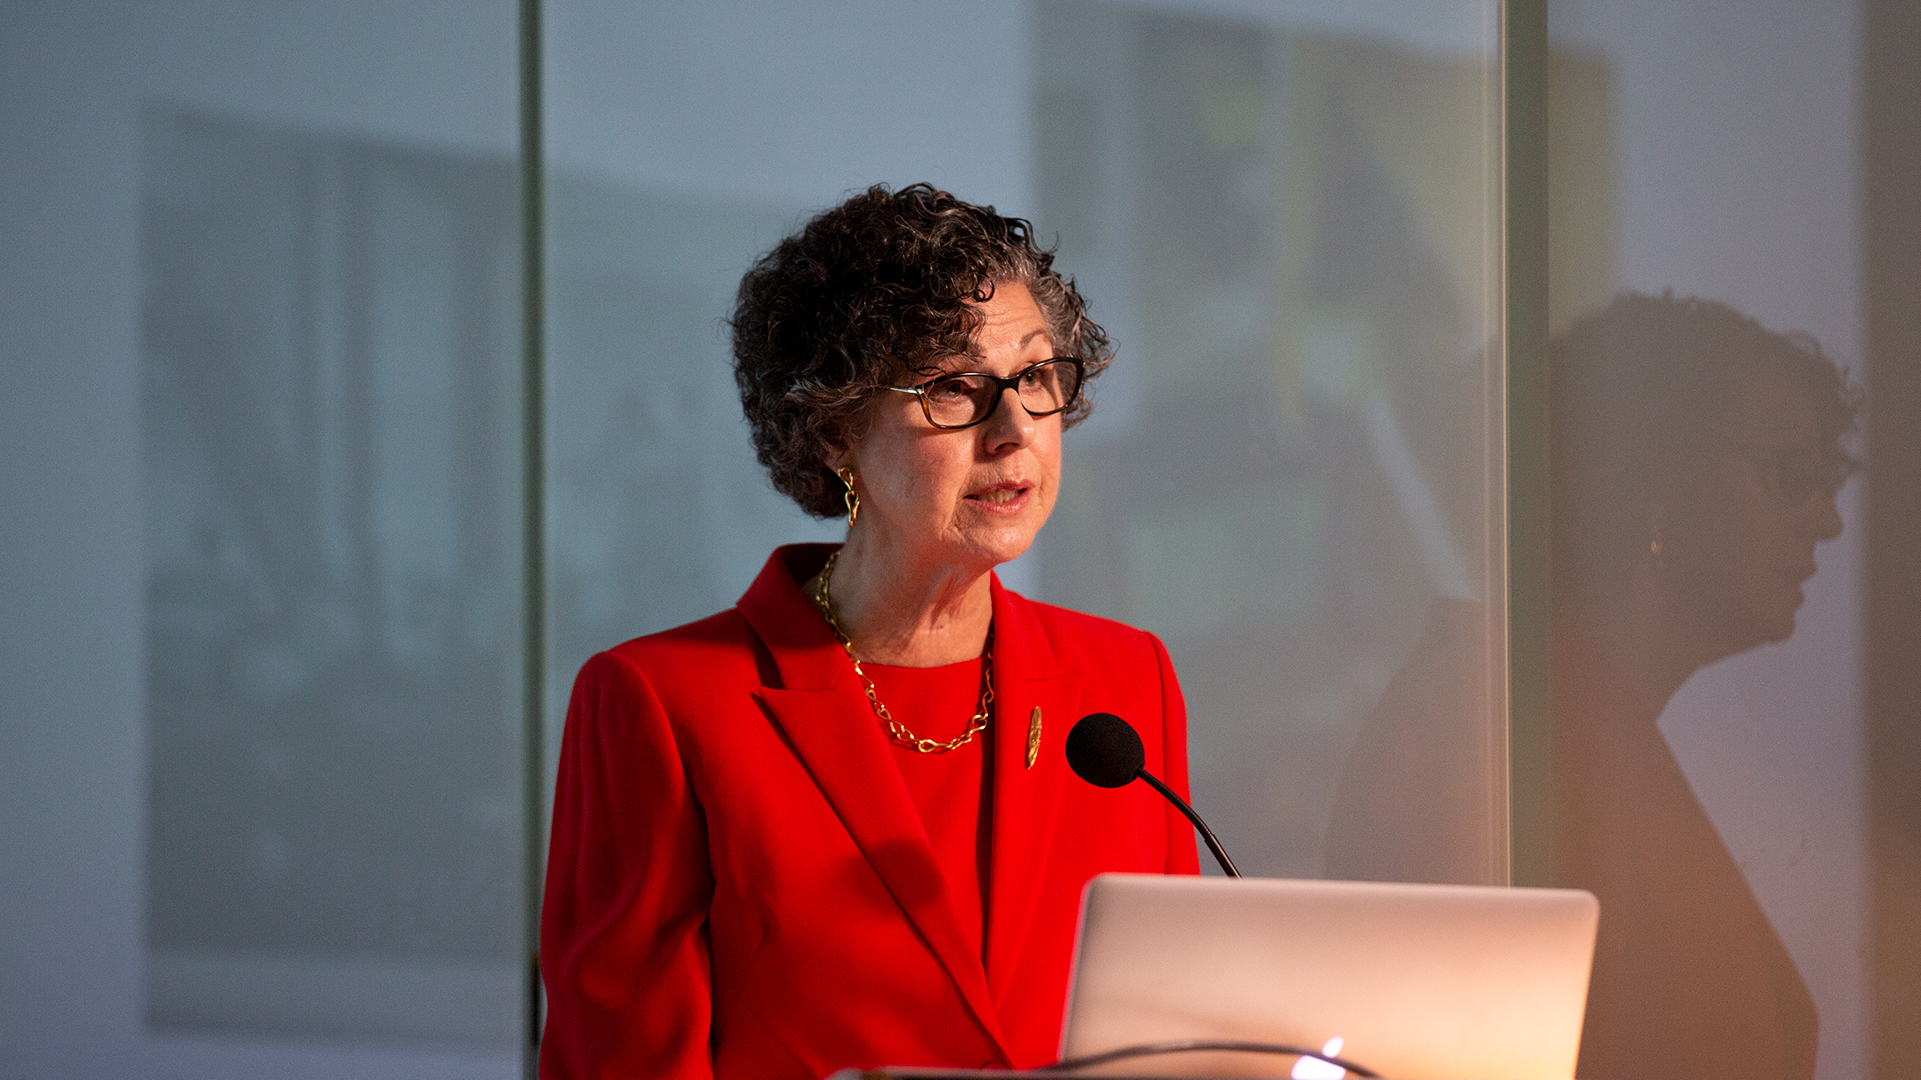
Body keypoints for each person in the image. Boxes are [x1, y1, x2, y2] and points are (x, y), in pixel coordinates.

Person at [538, 184, 1200, 1080]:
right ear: (834, 431)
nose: (1013, 432)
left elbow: (1175, 1038)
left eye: (1036, 376)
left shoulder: (1125, 683)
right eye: (954, 389)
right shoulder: (662, 703)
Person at [1548, 292, 1856, 1080]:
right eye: (1788, 476)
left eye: (1829, 480)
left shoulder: (1596, 731)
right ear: (1659, 479)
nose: (1828, 520)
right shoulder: (1510, 740)